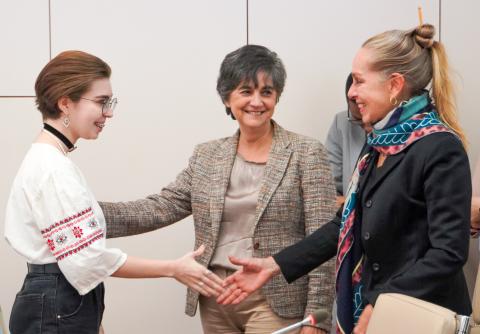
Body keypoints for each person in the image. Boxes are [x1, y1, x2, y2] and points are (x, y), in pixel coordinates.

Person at [218, 24, 472, 334]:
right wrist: (274, 265)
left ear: (394, 85)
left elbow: (447, 252)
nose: (351, 92)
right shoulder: (379, 141)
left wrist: (381, 301)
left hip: (419, 315)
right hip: (375, 308)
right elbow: (345, 224)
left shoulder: (440, 147)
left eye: (359, 81)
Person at [100, 45, 337, 333]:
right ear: (227, 97)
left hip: (276, 300)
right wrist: (85, 214)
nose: (257, 101)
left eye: (267, 91)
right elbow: (158, 208)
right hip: (215, 296)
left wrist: (317, 319)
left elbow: (324, 238)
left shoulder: (306, 153)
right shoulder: (207, 156)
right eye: (246, 91)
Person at [4, 51, 223, 334]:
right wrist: (172, 268)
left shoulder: (49, 160)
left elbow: (76, 260)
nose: (108, 113)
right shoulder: (53, 169)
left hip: (61, 302)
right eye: (101, 102)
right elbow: (88, 260)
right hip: (57, 303)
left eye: (109, 102)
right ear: (65, 103)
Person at [325, 73, 372, 207]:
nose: (366, 126)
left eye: (372, 123)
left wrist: (348, 202)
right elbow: (329, 185)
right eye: (359, 121)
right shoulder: (340, 122)